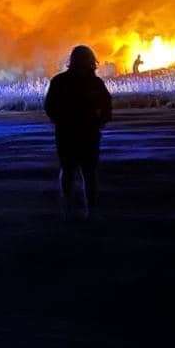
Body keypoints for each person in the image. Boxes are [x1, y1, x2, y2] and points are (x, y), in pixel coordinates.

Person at [44, 45, 113, 220]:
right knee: (87, 172)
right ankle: (90, 210)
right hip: (85, 134)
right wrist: (100, 122)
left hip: (69, 133)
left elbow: (49, 107)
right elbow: (107, 107)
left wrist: (60, 121)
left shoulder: (60, 81)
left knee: (70, 170)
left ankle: (68, 208)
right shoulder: (94, 83)